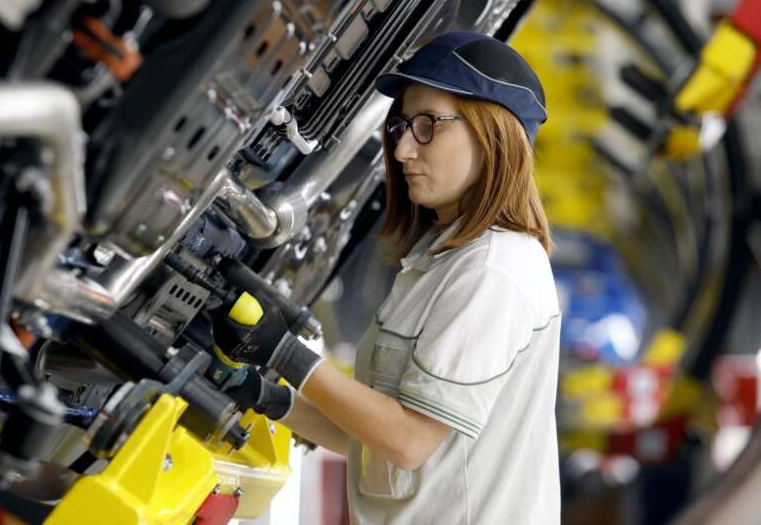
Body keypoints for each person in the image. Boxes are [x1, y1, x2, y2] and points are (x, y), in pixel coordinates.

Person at [214, 31, 562, 524]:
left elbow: (408, 441)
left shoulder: (494, 270)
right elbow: (376, 443)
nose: (401, 151)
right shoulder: (440, 261)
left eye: (428, 126)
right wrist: (268, 396)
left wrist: (283, 353)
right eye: (400, 127)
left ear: (494, 134)